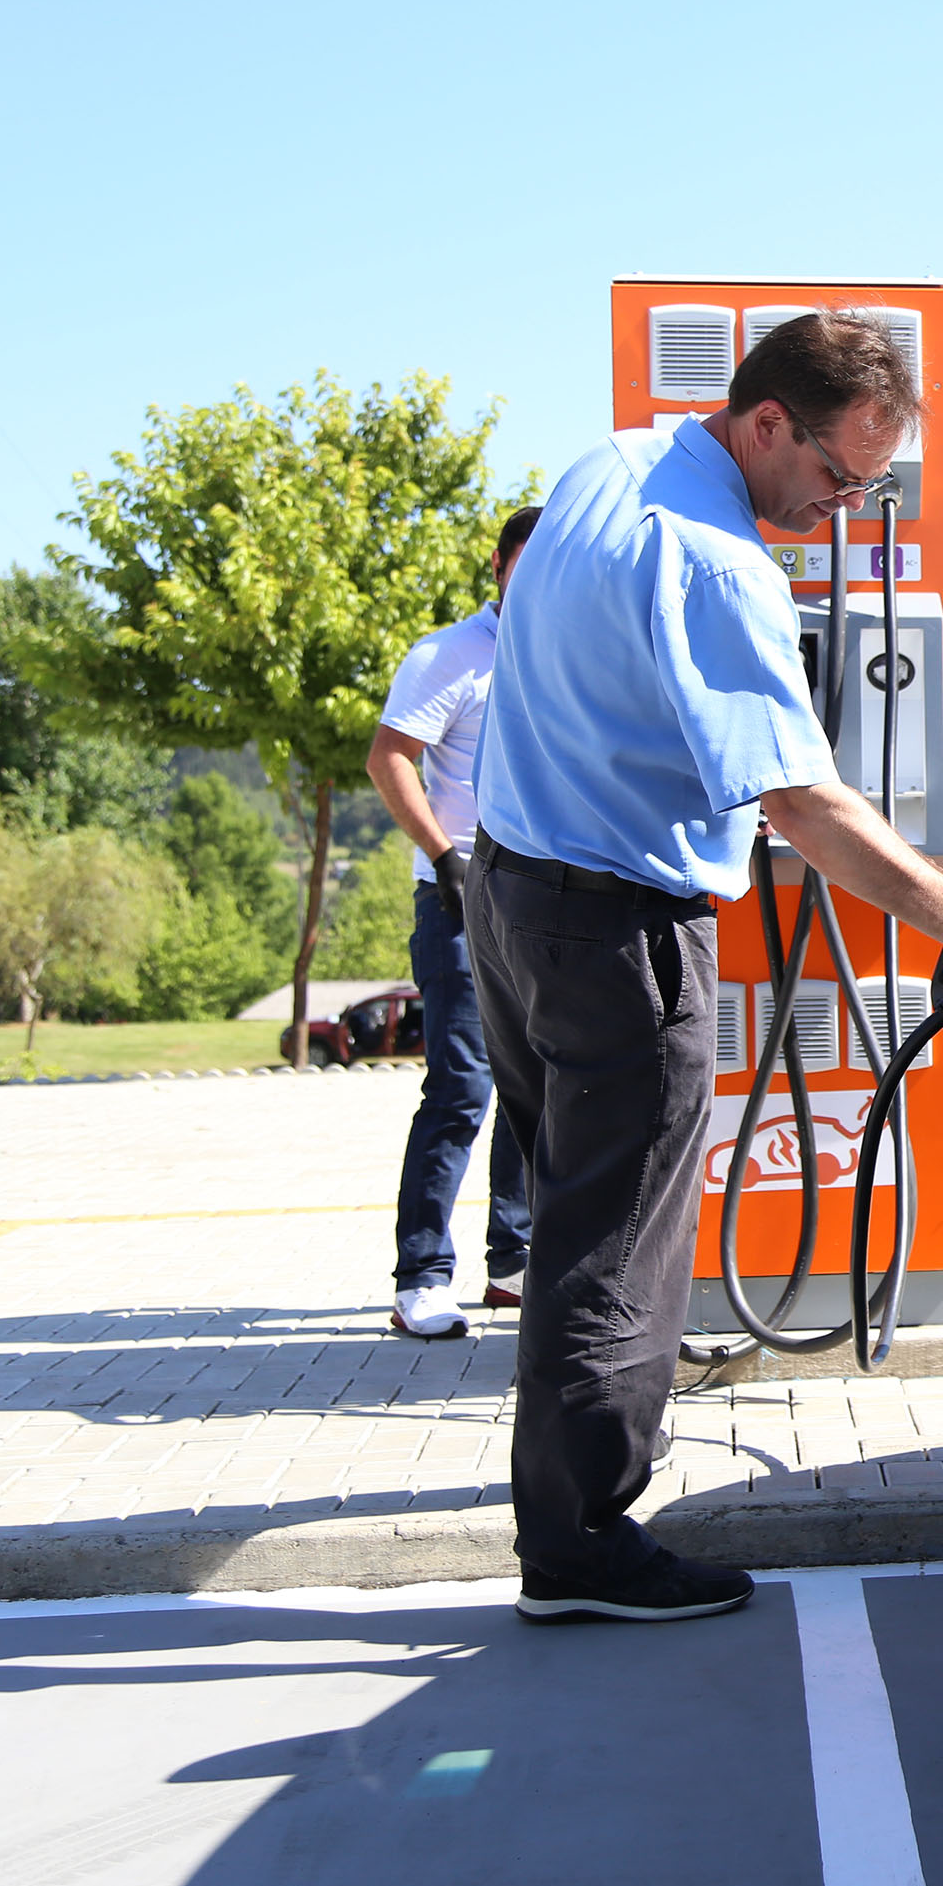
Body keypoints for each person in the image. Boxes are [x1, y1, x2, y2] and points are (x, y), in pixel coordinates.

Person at [470, 311, 943, 1626]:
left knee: (577, 1222)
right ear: (763, 424)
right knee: (620, 1245)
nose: (846, 509)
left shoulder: (611, 464)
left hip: (509, 891)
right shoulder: (719, 565)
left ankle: (563, 1504)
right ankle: (580, 1549)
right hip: (616, 923)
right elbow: (800, 803)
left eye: (872, 488)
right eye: (839, 476)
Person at [365, 505, 543, 1339]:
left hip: (545, 896)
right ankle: (421, 1275)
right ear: (501, 565)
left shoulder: (564, 651)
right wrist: (442, 856)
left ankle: (512, 1263)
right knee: (462, 1087)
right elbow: (388, 756)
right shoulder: (451, 655)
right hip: (460, 895)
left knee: (530, 1088)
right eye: (529, 559)